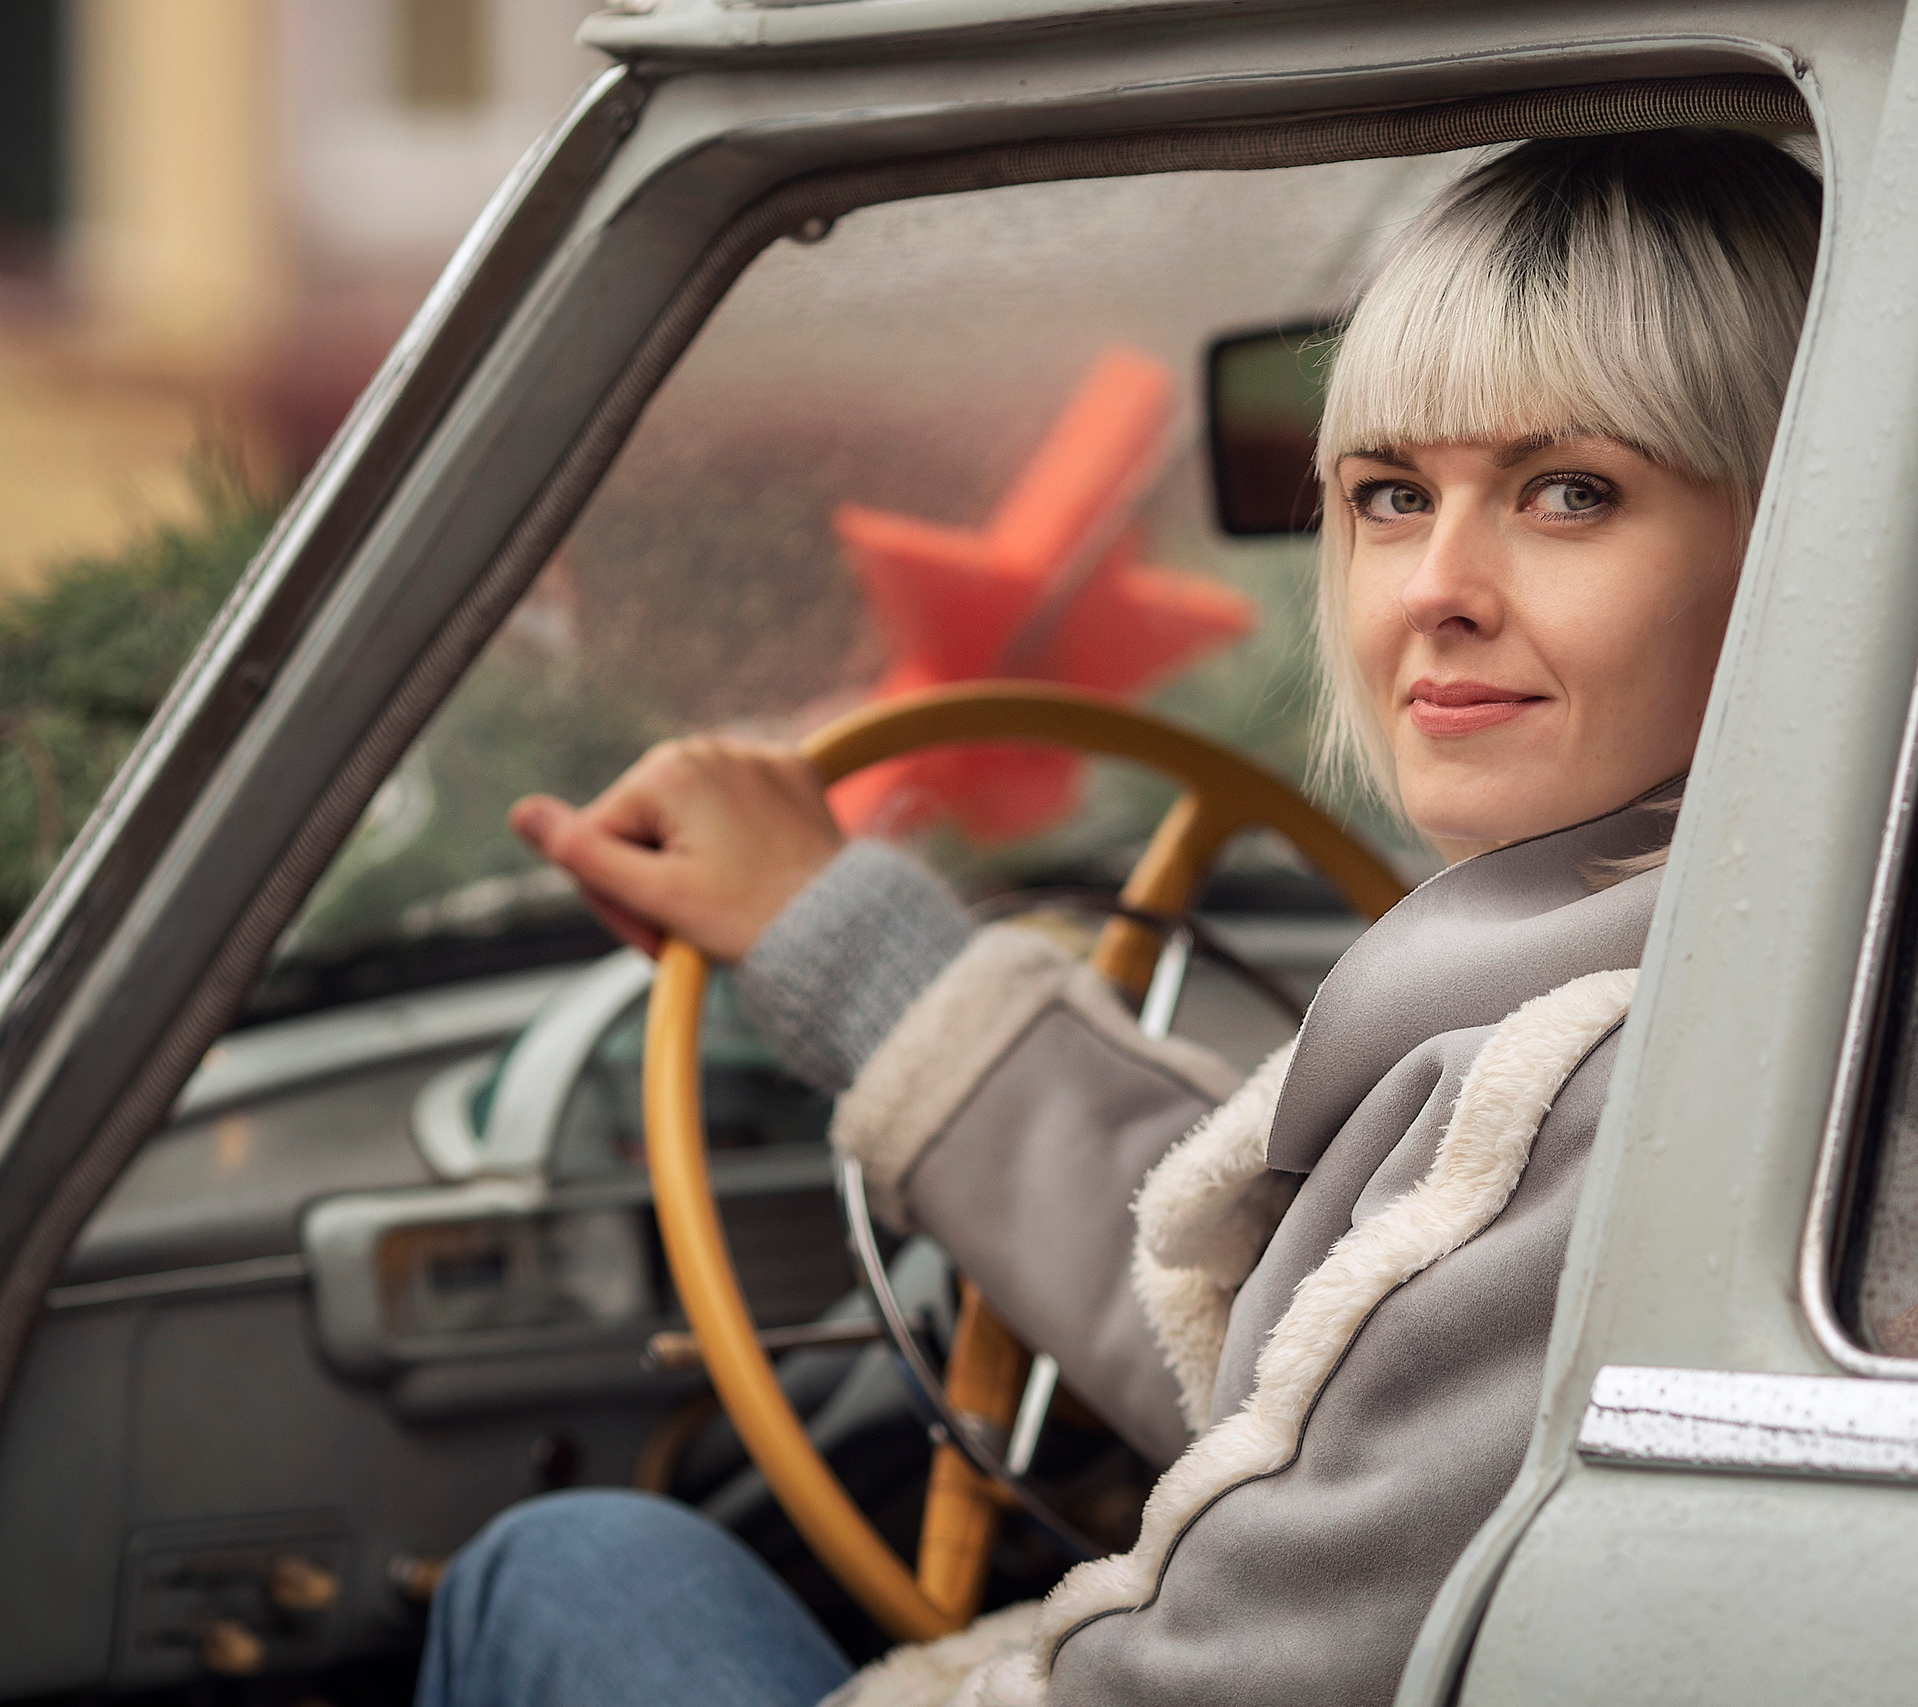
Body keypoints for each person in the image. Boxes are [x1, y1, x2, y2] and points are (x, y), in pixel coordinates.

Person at [419, 126, 1821, 1707]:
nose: (1438, 584)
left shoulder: (1585, 1091)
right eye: (1386, 493)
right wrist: (853, 956)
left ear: (1809, 534)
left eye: (1570, 492)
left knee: (573, 1568)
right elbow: (1322, 1368)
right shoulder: (1841, 957)